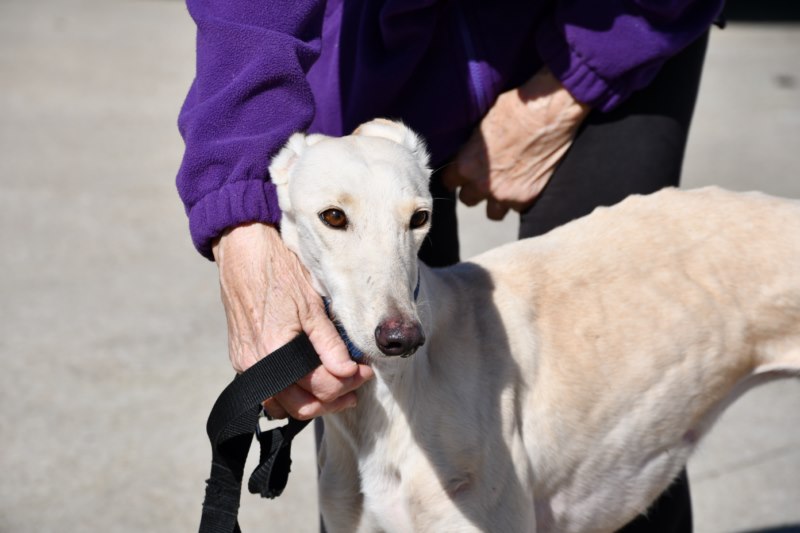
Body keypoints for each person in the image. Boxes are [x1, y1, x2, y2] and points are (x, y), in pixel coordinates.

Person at [177, 1, 724, 530]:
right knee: (359, 407)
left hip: (613, 21)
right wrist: (239, 221)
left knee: (614, 399)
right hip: (378, 36)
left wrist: (575, 83)